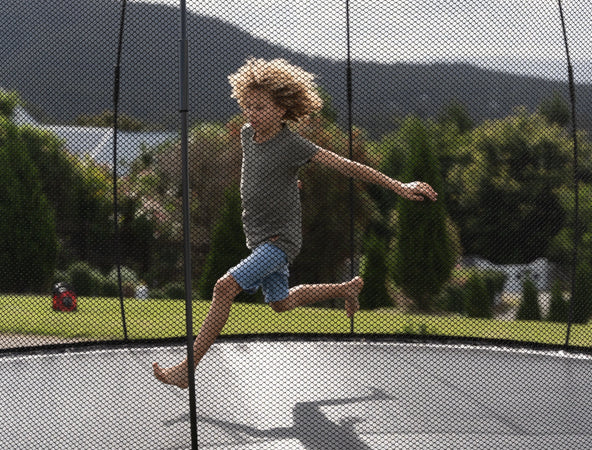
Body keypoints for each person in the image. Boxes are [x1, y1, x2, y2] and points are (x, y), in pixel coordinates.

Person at [153, 58, 437, 388]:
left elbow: (345, 165)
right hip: (259, 238)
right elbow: (262, 175)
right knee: (281, 303)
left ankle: (187, 369)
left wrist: (398, 185)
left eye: (260, 107)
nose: (251, 114)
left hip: (280, 240)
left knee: (223, 287)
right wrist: (287, 185)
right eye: (248, 106)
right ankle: (345, 289)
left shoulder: (292, 144)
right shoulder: (247, 135)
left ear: (282, 109)